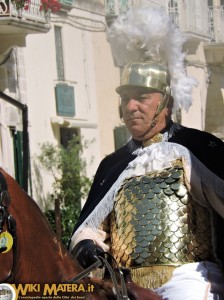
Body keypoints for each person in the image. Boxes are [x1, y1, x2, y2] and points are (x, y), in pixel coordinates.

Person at [69, 7, 224, 300]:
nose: (131, 107)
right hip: (123, 281)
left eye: (141, 97)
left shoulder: (197, 149)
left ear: (165, 101)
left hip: (187, 276)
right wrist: (89, 246)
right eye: (126, 98)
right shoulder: (112, 165)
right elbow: (87, 228)